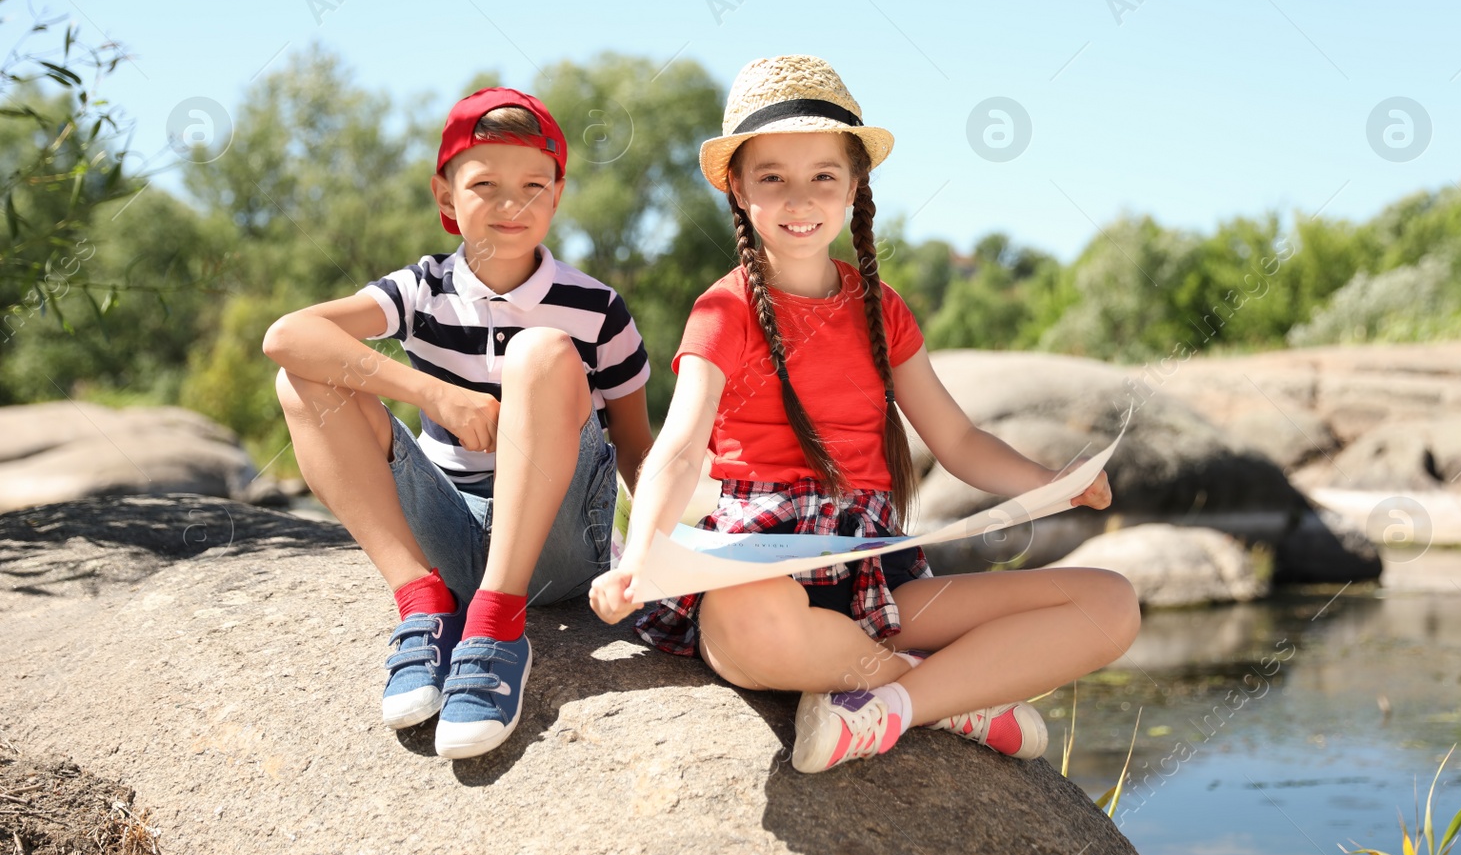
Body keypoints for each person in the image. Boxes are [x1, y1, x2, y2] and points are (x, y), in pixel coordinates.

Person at [589, 55, 1140, 773]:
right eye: (773, 177)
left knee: (1111, 602)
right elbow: (679, 448)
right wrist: (639, 556)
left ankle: (892, 704)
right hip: (764, 566)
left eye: (824, 175)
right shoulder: (723, 310)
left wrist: (1049, 479)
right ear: (739, 188)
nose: (800, 197)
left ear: (855, 185)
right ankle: (951, 695)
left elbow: (959, 438)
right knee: (748, 624)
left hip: (876, 579)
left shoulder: (882, 311)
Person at [264, 87, 652, 759]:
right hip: (449, 534)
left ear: (558, 196)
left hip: (560, 550)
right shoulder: (423, 289)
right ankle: (424, 604)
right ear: (446, 196)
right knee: (302, 378)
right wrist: (435, 395)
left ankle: (501, 628)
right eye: (486, 185)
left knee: (541, 349)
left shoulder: (597, 309)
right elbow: (288, 335)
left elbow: (640, 452)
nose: (513, 205)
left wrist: (662, 563)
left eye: (535, 185)